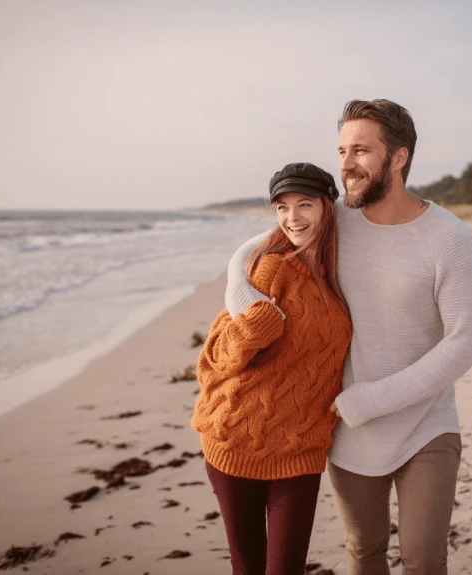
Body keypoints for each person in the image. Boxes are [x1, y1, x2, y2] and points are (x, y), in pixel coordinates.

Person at [224, 100, 472, 575]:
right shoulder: (337, 219)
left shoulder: (448, 237)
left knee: (424, 559)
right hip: (347, 429)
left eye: (361, 150)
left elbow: (465, 340)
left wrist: (371, 399)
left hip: (425, 424)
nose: (345, 164)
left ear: (399, 157)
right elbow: (249, 253)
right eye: (342, 150)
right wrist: (248, 307)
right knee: (364, 550)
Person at [191, 162, 352, 575]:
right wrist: (253, 327)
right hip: (236, 438)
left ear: (327, 207)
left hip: (301, 447)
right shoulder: (270, 266)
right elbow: (213, 361)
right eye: (282, 207)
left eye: (304, 204)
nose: (292, 217)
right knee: (248, 567)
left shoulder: (341, 268)